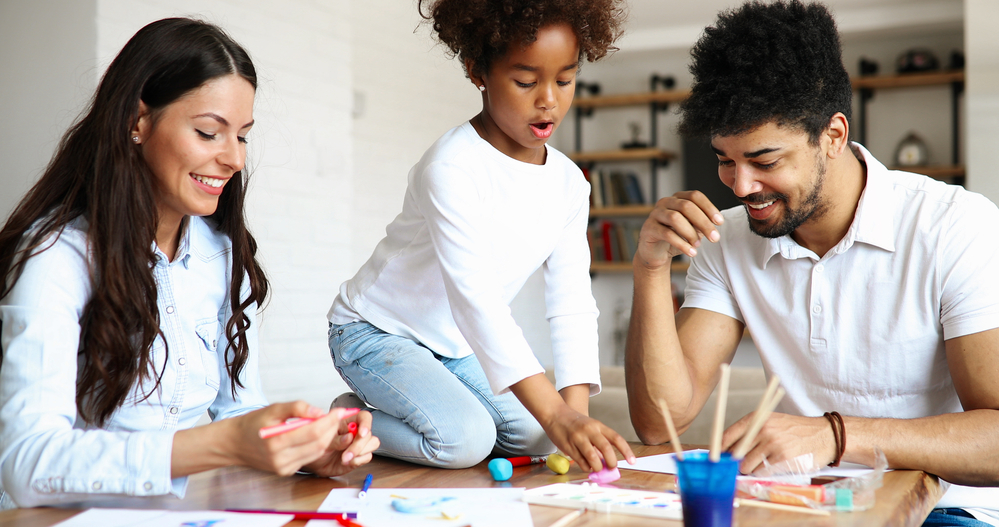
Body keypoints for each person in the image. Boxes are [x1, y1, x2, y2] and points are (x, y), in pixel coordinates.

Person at [624, 1, 999, 525]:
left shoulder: (954, 227)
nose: (741, 186)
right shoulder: (726, 240)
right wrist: (650, 268)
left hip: (943, 510)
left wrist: (835, 434)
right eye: (725, 161)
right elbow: (660, 422)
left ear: (834, 135)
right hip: (799, 504)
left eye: (765, 161)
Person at [0, 18, 378, 509]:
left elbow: (238, 411)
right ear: (137, 121)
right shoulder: (56, 259)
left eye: (241, 136)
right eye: (208, 132)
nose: (234, 159)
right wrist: (222, 444)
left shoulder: (222, 254)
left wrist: (306, 448)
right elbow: (27, 463)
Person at [327, 0, 636, 472]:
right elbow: (478, 303)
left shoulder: (571, 184)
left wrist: (573, 419)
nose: (548, 99)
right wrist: (557, 414)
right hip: (376, 332)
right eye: (526, 81)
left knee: (536, 436)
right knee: (465, 442)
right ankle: (346, 419)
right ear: (479, 72)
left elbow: (571, 303)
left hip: (454, 345)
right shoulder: (452, 167)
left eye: (565, 79)